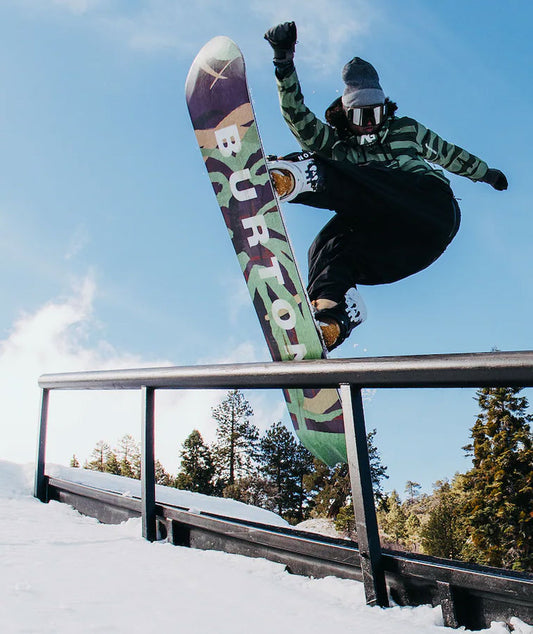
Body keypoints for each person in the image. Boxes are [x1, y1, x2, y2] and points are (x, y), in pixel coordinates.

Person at [264, 22, 508, 350]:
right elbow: (298, 119)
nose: (370, 125)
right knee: (327, 247)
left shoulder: (404, 129)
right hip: (406, 247)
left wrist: (486, 173)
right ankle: (331, 318)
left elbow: (446, 153)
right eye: (360, 117)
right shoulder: (339, 144)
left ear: (385, 109)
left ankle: (304, 177)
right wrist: (284, 62)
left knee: (363, 175)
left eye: (376, 115)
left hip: (429, 208)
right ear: (345, 114)